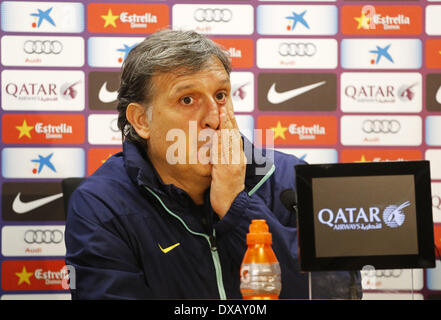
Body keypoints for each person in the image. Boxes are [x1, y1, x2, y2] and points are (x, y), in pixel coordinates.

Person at [65, 29, 362, 299]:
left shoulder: (287, 180)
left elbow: (337, 292)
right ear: (142, 120)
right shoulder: (102, 205)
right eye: (187, 100)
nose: (213, 117)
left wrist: (236, 205)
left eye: (221, 95)